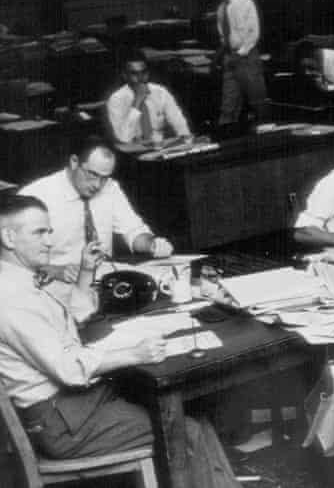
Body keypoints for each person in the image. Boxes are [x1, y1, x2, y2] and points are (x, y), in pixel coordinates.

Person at [0, 194, 240, 487]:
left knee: (191, 418)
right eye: (39, 232)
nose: (49, 241)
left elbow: (78, 316)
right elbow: (69, 370)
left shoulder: (19, 280)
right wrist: (134, 354)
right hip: (63, 422)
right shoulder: (13, 299)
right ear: (9, 237)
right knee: (187, 429)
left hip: (70, 409)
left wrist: (87, 269)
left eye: (49, 231)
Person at [19, 135, 173, 285]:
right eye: (92, 174)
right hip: (56, 283)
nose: (97, 185)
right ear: (74, 162)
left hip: (103, 278)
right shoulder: (36, 195)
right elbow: (14, 260)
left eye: (104, 177)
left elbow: (133, 231)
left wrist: (151, 244)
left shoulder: (110, 188)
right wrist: (54, 270)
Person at [214, 0, 267, 126]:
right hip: (230, 59)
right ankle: (227, 137)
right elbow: (225, 38)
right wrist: (219, 57)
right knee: (228, 108)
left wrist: (240, 54)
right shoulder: (221, 9)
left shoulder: (246, 3)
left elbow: (253, 34)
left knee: (258, 104)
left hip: (247, 58)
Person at [106, 51, 192, 145]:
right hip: (131, 148)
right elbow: (124, 138)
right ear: (124, 76)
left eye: (143, 72)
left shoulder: (160, 92)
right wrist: (137, 102)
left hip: (159, 145)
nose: (140, 78)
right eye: (134, 74)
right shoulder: (116, 100)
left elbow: (179, 122)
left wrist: (187, 141)